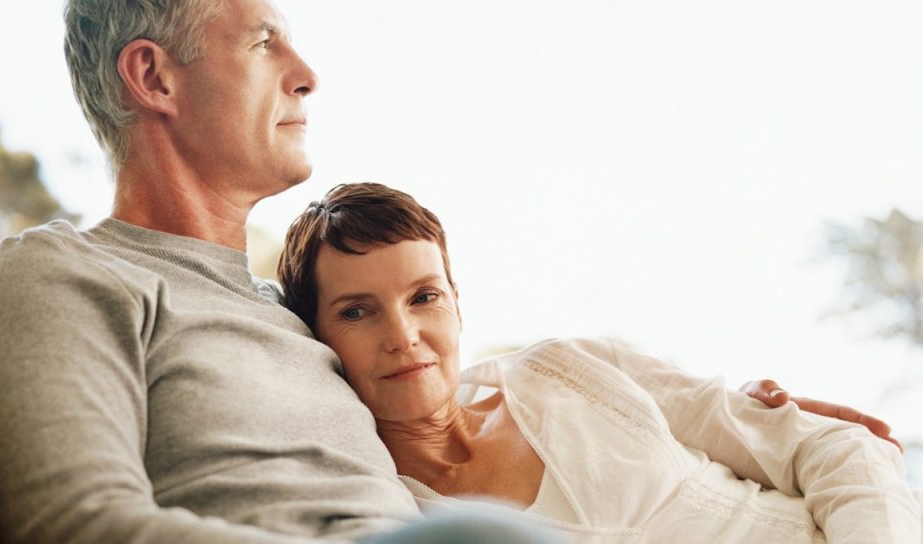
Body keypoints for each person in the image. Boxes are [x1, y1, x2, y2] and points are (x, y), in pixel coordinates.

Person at [0, 0, 898, 542]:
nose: (307, 73)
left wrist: (711, 412)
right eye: (264, 41)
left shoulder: (283, 319)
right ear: (153, 76)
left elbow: (430, 389)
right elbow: (76, 528)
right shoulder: (62, 276)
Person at [277, 182, 923, 543]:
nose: (405, 335)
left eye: (424, 298)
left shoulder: (568, 370)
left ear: (457, 306)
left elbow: (836, 449)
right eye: (358, 312)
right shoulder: (391, 511)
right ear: (317, 336)